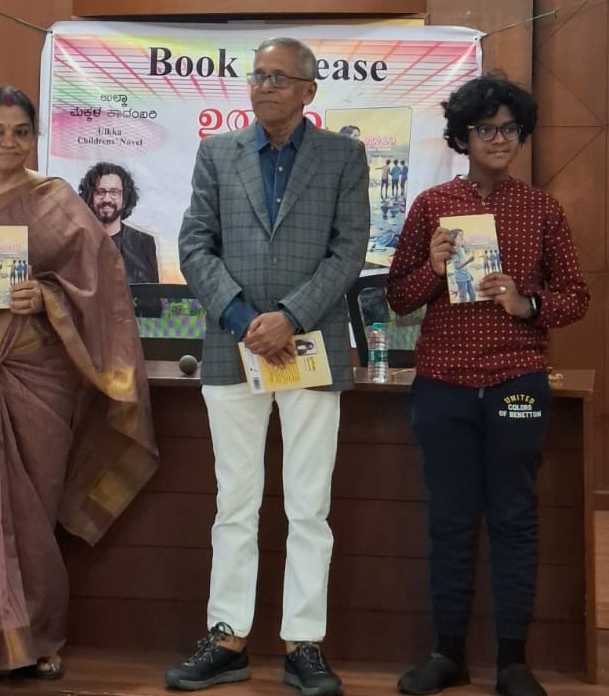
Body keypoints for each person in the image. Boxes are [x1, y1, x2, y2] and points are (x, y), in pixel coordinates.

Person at [0, 86, 158, 676]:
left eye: (21, 132)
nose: (9, 144)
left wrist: (45, 296)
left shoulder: (56, 199)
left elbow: (102, 284)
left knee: (32, 511)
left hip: (40, 374)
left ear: (34, 136)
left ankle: (38, 636)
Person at [166, 37, 369, 696]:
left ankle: (303, 643)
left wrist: (290, 316)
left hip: (311, 347)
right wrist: (240, 318)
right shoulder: (217, 153)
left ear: (309, 90)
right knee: (235, 502)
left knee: (309, 506)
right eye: (257, 75)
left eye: (278, 77)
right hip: (233, 348)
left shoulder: (344, 156)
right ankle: (226, 638)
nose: (263, 86)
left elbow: (349, 251)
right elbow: (195, 244)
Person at [387, 73, 589, 696]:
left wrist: (528, 304)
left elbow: (576, 295)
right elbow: (398, 297)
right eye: (485, 129)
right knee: (449, 520)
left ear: (520, 135)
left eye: (509, 129)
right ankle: (447, 654)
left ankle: (512, 662)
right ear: (462, 137)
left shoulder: (542, 208)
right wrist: (433, 267)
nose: (499, 140)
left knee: (514, 517)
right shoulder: (431, 207)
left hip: (516, 382)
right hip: (443, 385)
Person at [78, 161, 160, 284]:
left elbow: (151, 294)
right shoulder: (76, 243)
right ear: (90, 198)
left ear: (125, 199)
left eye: (114, 192)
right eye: (100, 192)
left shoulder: (143, 243)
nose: (107, 199)